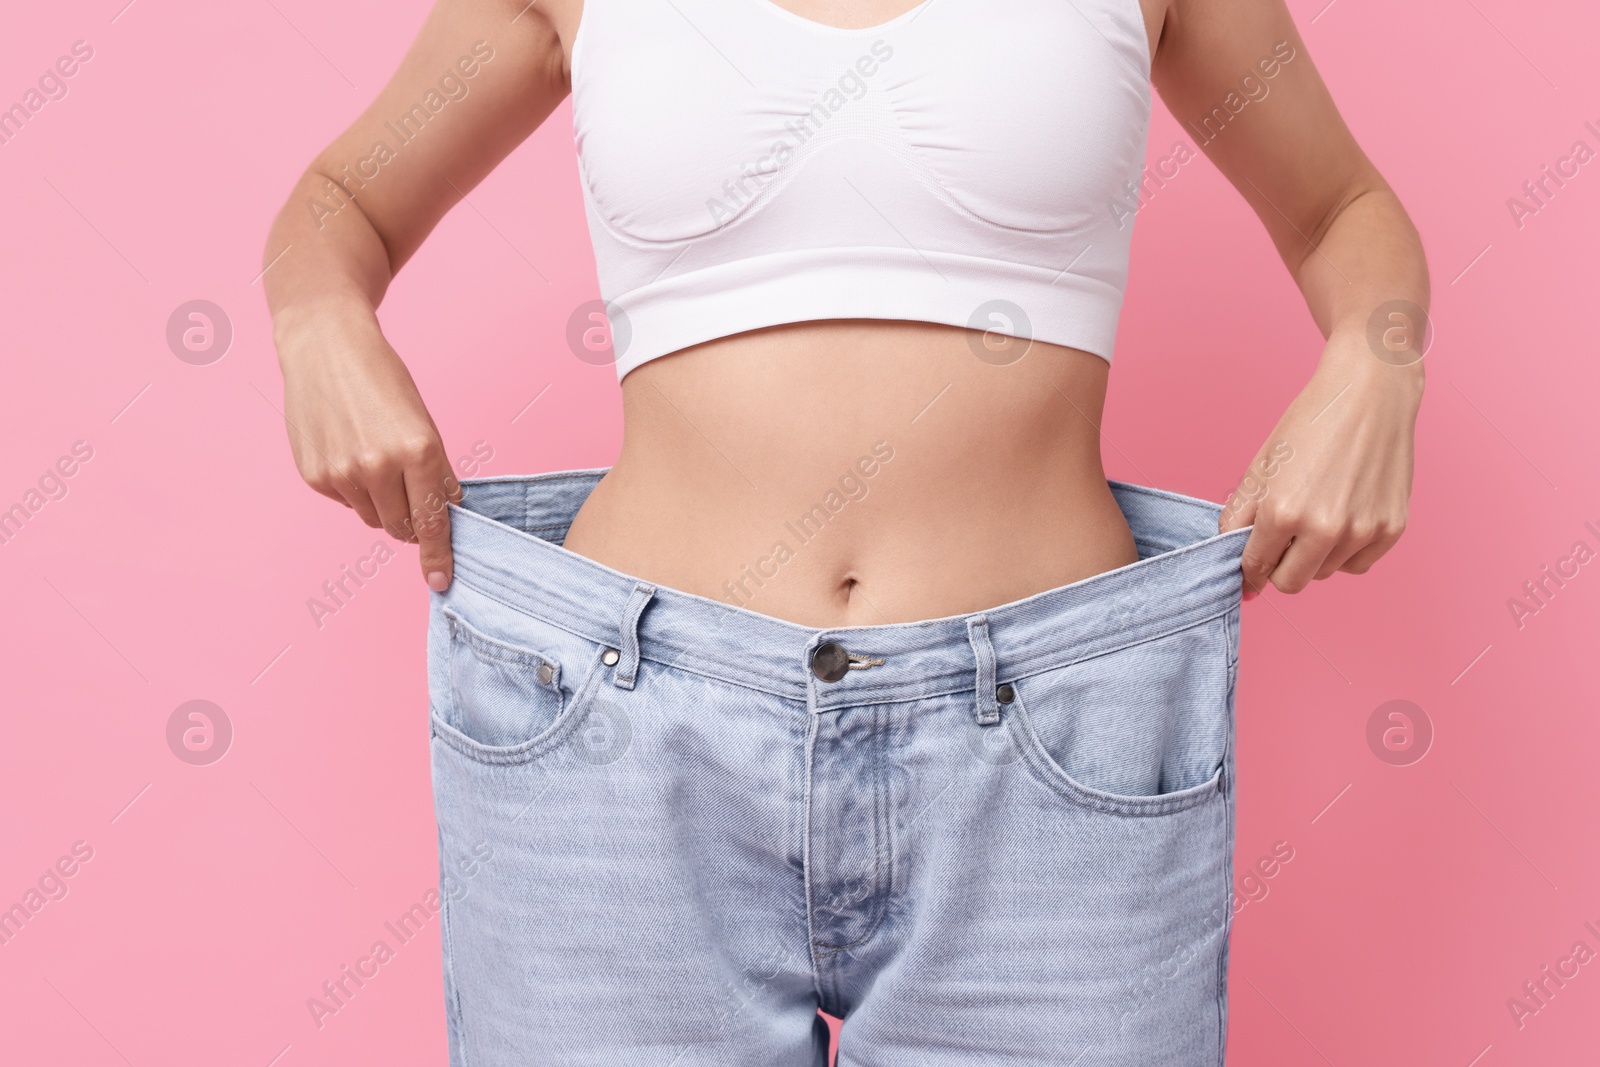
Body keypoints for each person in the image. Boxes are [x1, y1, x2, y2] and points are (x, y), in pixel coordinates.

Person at [262, 0, 1425, 1063]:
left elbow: (1340, 211)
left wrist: (1375, 363)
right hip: (625, 749)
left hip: (1053, 750)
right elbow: (342, 202)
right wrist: (318, 315)